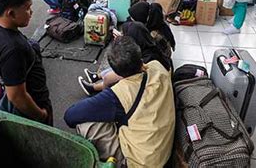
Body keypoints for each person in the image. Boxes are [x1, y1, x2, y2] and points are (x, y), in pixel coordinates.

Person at [64, 36, 175, 167]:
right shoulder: (157, 66)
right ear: (139, 56)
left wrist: (105, 87)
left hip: (139, 163)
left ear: (116, 71)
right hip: (161, 154)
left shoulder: (120, 93)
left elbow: (70, 116)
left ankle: (119, 163)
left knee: (85, 124)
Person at [0, 0, 53, 125]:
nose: (31, 12)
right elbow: (17, 96)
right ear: (11, 13)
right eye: (28, 8)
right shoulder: (13, 49)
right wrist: (40, 114)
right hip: (34, 106)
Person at [79, 21, 172, 96]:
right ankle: (96, 77)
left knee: (117, 67)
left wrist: (120, 43)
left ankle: (94, 88)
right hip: (149, 79)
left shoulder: (147, 58)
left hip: (145, 87)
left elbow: (111, 77)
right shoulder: (150, 45)